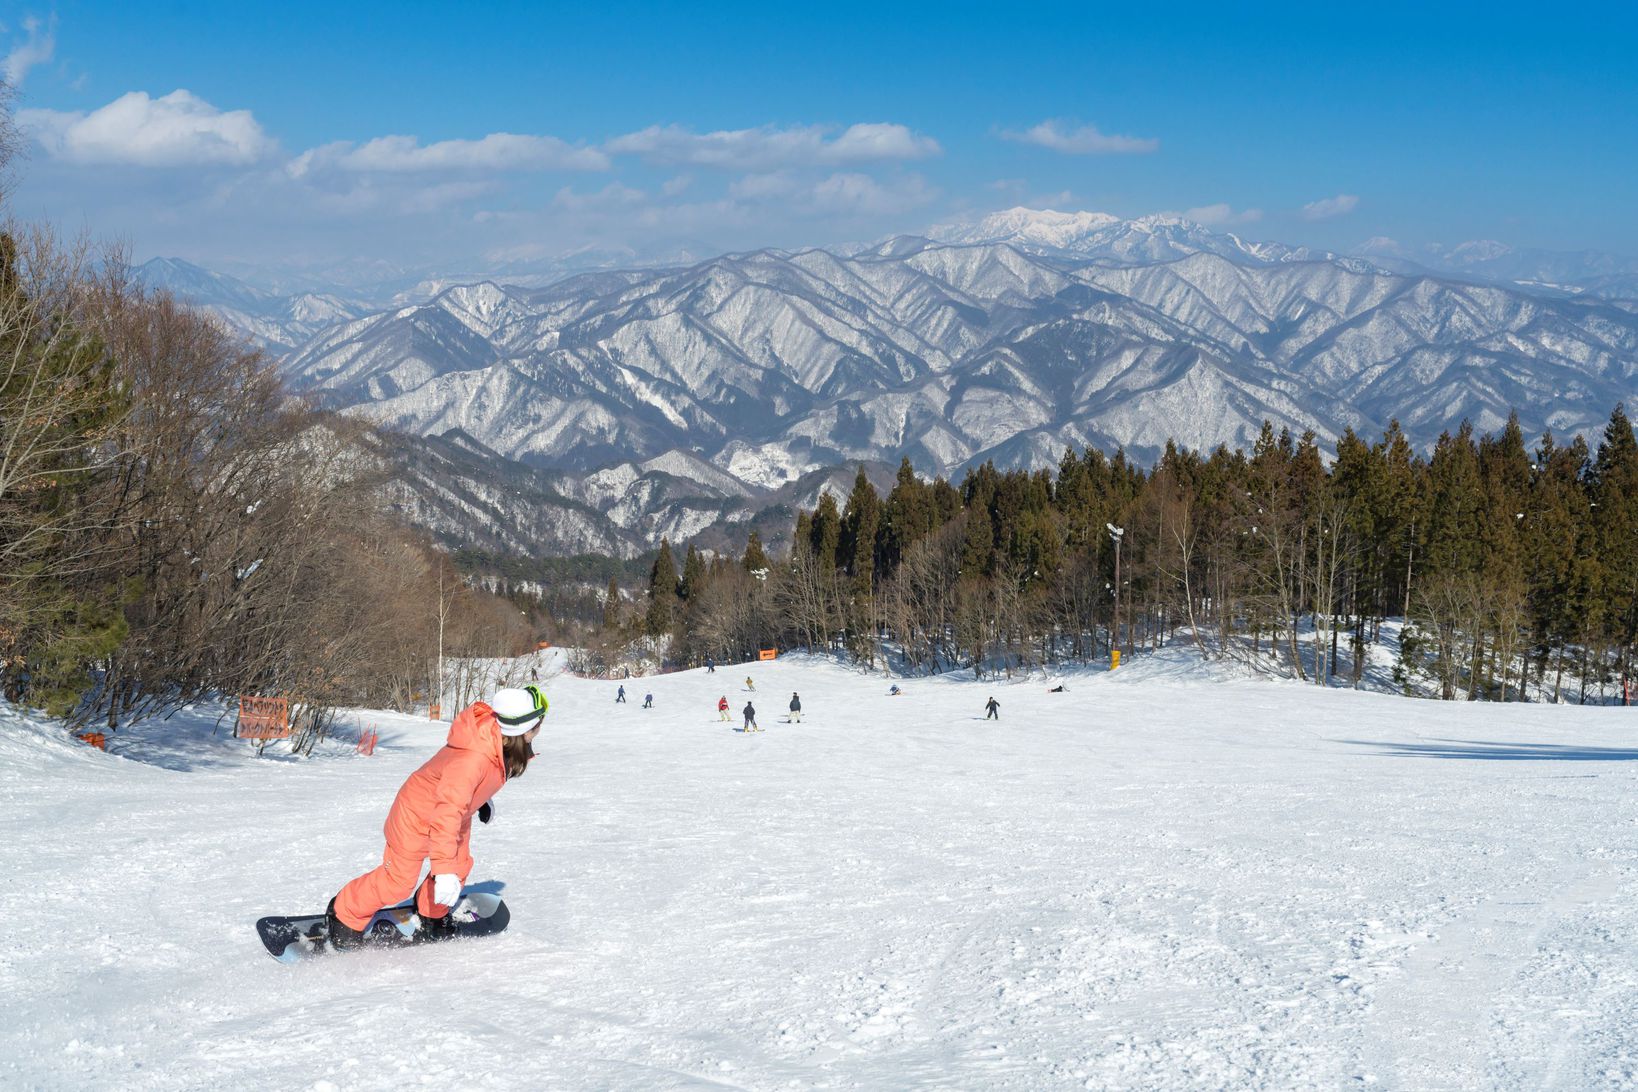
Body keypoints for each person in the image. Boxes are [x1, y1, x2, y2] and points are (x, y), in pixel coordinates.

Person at [326, 684, 547, 950]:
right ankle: (344, 912)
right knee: (398, 882)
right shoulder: (474, 757)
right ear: (526, 728)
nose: (541, 727)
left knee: (459, 866)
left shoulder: (498, 741)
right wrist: (442, 872)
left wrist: (481, 801)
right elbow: (449, 807)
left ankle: (431, 912)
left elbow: (462, 785)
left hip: (451, 813)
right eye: (539, 722)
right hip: (417, 816)